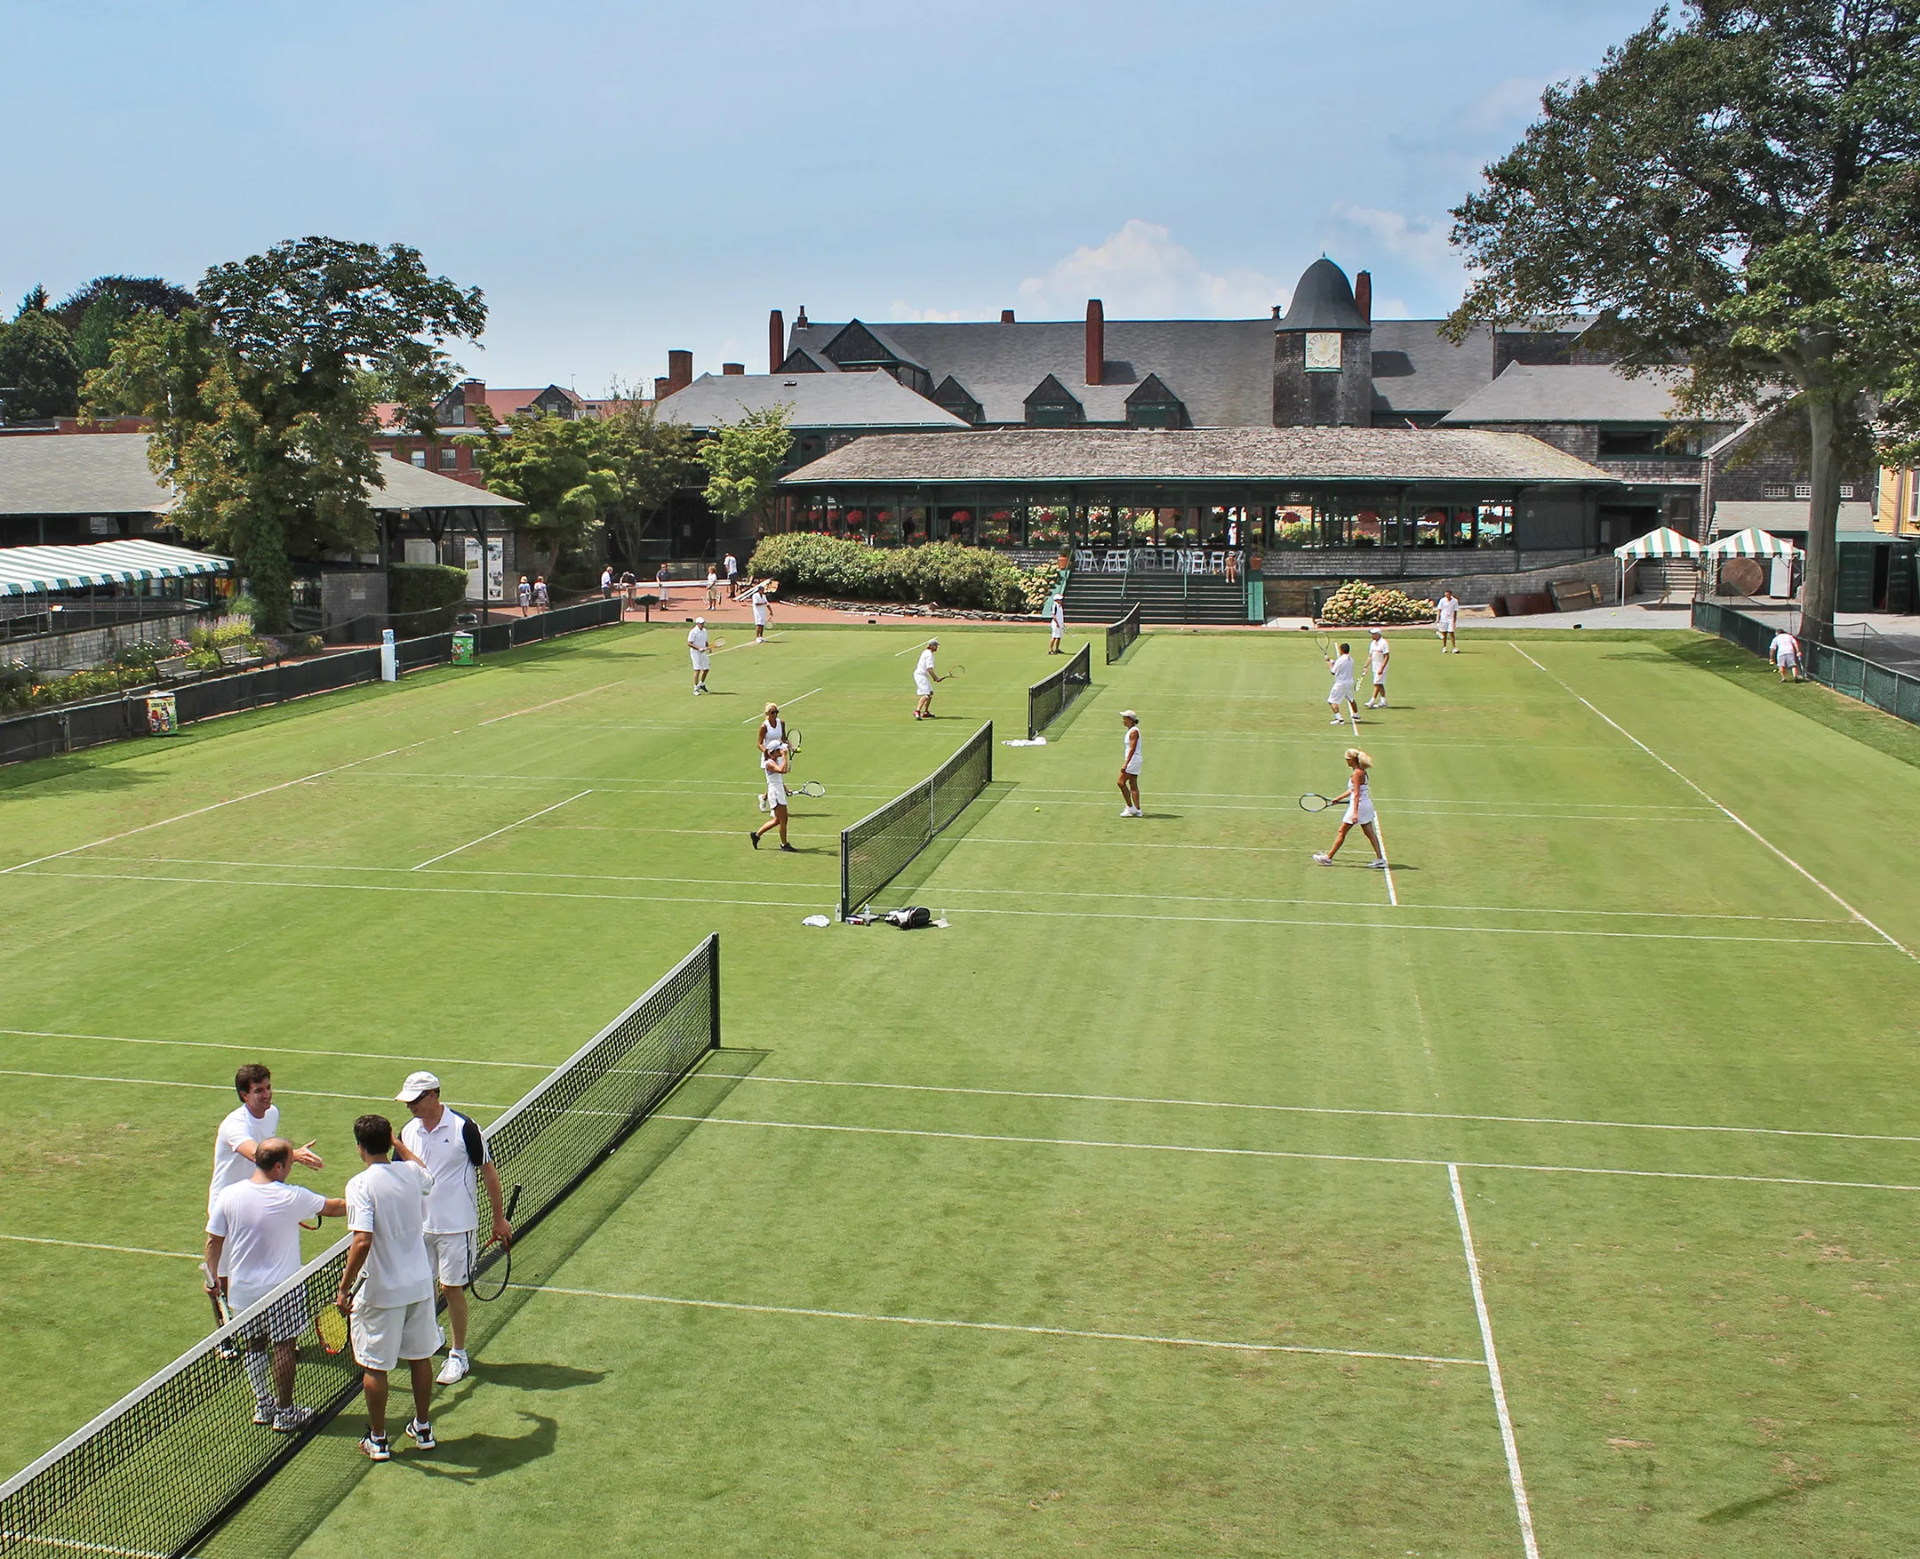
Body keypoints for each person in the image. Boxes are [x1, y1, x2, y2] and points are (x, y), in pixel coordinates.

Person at [206, 1139, 345, 1432]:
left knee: (254, 1345)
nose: (290, 1169)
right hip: (284, 1290)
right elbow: (335, 1208)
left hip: (243, 1290)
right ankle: (284, 1412)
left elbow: (213, 1240)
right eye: (290, 1164)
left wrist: (212, 1276)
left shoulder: (229, 1195)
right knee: (283, 1346)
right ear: (279, 1165)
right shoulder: (292, 1197)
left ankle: (263, 1404)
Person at [397, 1073, 512, 1389]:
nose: (410, 1106)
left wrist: (499, 1219)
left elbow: (489, 1173)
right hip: (419, 1227)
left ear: (434, 1095)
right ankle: (430, 1334)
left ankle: (458, 1354)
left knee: (450, 1289)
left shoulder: (465, 1128)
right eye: (408, 1101)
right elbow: (396, 1177)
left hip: (457, 1225)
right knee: (421, 1287)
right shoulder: (406, 1132)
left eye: (416, 1100)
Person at [337, 1114, 439, 1463]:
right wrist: (397, 1143)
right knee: (420, 1356)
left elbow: (362, 1240)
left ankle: (378, 1439)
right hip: (419, 1285)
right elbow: (425, 1172)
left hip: (381, 1291)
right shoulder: (410, 1173)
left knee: (375, 1367)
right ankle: (423, 1428)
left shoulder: (359, 1185)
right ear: (389, 1141)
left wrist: (343, 1287)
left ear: (360, 1148)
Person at [1313, 748, 1387, 869]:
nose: (1345, 761)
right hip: (1365, 805)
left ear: (1351, 760)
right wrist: (1338, 798)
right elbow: (1353, 790)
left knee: (1342, 831)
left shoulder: (1357, 773)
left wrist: (1355, 813)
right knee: (1369, 833)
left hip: (1359, 806)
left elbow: (1356, 793)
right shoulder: (1361, 771)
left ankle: (1328, 858)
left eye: (1346, 759)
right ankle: (1380, 859)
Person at [750, 741, 797, 851]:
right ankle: (784, 845)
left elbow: (778, 778)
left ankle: (756, 835)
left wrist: (785, 789)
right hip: (775, 793)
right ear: (775, 751)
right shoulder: (769, 763)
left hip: (778, 791)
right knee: (783, 819)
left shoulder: (774, 761)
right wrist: (785, 756)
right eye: (779, 750)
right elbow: (783, 770)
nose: (781, 751)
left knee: (777, 820)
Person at [1326, 641, 1361, 727]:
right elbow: (1341, 665)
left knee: (1331, 701)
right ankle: (1356, 715)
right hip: (1349, 683)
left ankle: (1339, 718)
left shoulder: (1340, 660)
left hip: (1340, 684)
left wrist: (1329, 664)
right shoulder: (1351, 659)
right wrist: (1331, 661)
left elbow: (1333, 672)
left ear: (1341, 650)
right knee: (1351, 699)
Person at [1117, 710, 1143, 817]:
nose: (1123, 720)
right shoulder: (1131, 731)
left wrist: (1126, 764)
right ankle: (1137, 810)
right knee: (1133, 785)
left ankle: (1130, 807)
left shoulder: (1133, 732)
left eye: (1125, 718)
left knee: (1121, 782)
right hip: (1134, 760)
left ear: (1130, 720)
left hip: (1133, 760)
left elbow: (1132, 749)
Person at [913, 638, 942, 719]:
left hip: (923, 675)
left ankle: (926, 712)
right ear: (931, 646)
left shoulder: (927, 652)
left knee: (930, 693)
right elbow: (929, 668)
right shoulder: (929, 654)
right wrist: (935, 678)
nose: (937, 647)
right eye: (935, 645)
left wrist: (934, 678)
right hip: (920, 675)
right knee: (926, 694)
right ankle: (917, 711)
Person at [1365, 628, 1391, 709]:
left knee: (1376, 683)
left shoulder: (1384, 643)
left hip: (1381, 667)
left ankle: (1372, 701)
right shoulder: (1372, 643)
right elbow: (1370, 656)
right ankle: (1383, 701)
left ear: (1378, 634)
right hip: (1374, 666)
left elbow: (1387, 657)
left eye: (1374, 634)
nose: (1372, 636)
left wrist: (1382, 668)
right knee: (1380, 683)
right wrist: (1366, 666)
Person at [687, 616, 712, 694]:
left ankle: (701, 684)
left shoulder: (704, 631)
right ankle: (695, 688)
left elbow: (705, 640)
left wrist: (708, 647)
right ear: (697, 624)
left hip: (703, 652)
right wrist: (698, 648)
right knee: (697, 670)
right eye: (701, 623)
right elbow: (689, 643)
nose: (702, 625)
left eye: (703, 623)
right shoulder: (693, 632)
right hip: (695, 653)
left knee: (706, 669)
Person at [1436, 588, 1459, 653]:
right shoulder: (1442, 600)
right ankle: (1444, 647)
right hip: (1443, 619)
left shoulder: (1455, 601)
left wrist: (1454, 621)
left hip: (1450, 619)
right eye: (1446, 594)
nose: (1446, 596)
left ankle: (1454, 647)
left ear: (1450, 594)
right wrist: (1438, 618)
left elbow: (1455, 611)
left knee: (1451, 633)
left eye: (1448, 594)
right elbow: (1439, 610)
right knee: (1444, 634)